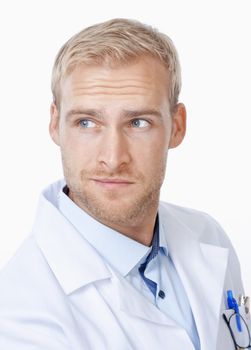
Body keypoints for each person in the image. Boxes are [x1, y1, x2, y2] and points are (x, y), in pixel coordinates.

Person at [0, 18, 249, 350]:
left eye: (138, 122)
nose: (113, 157)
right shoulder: (21, 315)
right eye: (87, 122)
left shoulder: (207, 236)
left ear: (177, 126)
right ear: (55, 125)